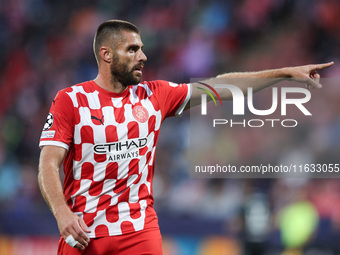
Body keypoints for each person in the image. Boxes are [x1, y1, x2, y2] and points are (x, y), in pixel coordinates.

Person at [38, 19, 333, 255]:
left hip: (140, 232)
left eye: (141, 48)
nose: (143, 56)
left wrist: (283, 73)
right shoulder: (71, 100)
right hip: (85, 233)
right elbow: (48, 164)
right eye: (132, 49)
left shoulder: (155, 95)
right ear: (106, 54)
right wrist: (62, 213)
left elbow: (222, 86)